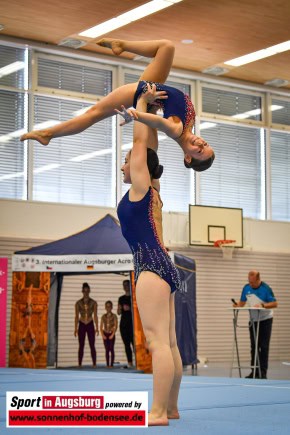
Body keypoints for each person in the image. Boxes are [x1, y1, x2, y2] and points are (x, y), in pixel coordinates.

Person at [20, 38, 214, 172]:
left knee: (94, 113)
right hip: (154, 91)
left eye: (199, 150)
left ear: (188, 157)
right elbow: (157, 121)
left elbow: (158, 123)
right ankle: (120, 45)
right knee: (167, 47)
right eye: (205, 144)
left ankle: (48, 134)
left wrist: (139, 110)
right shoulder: (187, 127)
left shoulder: (176, 129)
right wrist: (153, 106)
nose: (200, 143)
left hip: (143, 91)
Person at [116, 89, 183, 426]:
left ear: (141, 167)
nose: (124, 164)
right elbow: (149, 149)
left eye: (127, 159)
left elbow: (142, 146)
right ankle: (170, 407)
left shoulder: (141, 188)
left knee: (157, 343)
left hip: (150, 267)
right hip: (164, 267)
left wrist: (141, 106)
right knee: (168, 343)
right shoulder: (152, 189)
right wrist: (147, 109)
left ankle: (157, 412)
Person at [233, 270, 278, 379]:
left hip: (266, 320)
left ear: (258, 279)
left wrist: (263, 305)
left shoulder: (266, 288)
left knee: (264, 346)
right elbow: (242, 303)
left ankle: (262, 372)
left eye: (252, 282)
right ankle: (254, 371)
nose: (251, 284)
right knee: (254, 347)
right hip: (253, 321)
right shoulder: (246, 288)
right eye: (249, 281)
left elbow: (275, 303)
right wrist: (236, 305)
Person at [74, 282, 99, 367]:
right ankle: (80, 364)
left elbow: (95, 315)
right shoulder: (78, 303)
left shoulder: (94, 302)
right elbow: (77, 316)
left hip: (90, 323)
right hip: (81, 323)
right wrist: (75, 328)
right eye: (84, 291)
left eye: (87, 291)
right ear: (82, 291)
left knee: (92, 344)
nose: (86, 293)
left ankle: (94, 363)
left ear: (89, 291)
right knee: (81, 345)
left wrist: (97, 327)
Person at [118, 280, 134, 368]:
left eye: (127, 285)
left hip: (132, 324)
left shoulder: (133, 297)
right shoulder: (121, 298)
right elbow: (118, 312)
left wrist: (130, 308)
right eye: (124, 285)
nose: (125, 287)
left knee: (134, 344)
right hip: (123, 324)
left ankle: (139, 362)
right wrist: (120, 309)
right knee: (126, 344)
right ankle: (130, 362)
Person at [100, 301, 118, 368]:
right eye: (107, 306)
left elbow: (115, 326)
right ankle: (107, 364)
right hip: (105, 334)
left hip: (111, 334)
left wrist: (113, 334)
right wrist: (102, 335)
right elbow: (101, 327)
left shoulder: (114, 316)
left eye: (109, 306)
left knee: (111, 349)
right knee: (107, 349)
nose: (108, 308)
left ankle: (111, 364)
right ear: (105, 307)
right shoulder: (103, 316)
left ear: (111, 307)